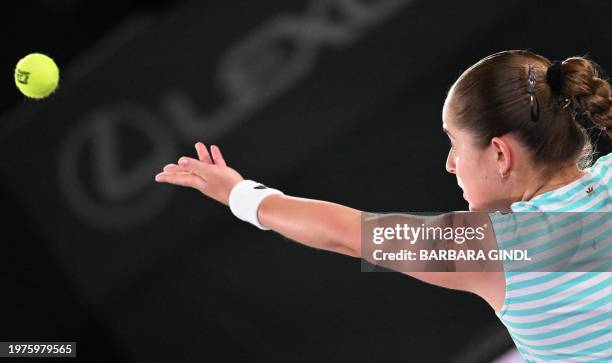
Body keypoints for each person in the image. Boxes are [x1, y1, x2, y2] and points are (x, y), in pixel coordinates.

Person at [155, 50, 611, 362]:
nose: (450, 164)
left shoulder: (498, 249)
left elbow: (345, 230)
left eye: (455, 145)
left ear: (498, 154)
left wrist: (238, 193)